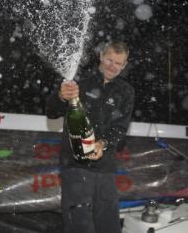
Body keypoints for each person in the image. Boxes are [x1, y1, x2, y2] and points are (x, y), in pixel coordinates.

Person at [46, 41, 134, 233]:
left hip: (106, 169)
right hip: (76, 166)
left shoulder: (126, 91)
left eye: (118, 63)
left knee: (109, 225)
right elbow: (51, 112)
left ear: (124, 65)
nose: (113, 66)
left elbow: (120, 128)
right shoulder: (78, 81)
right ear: (101, 56)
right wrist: (61, 96)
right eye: (109, 59)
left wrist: (103, 143)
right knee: (79, 225)